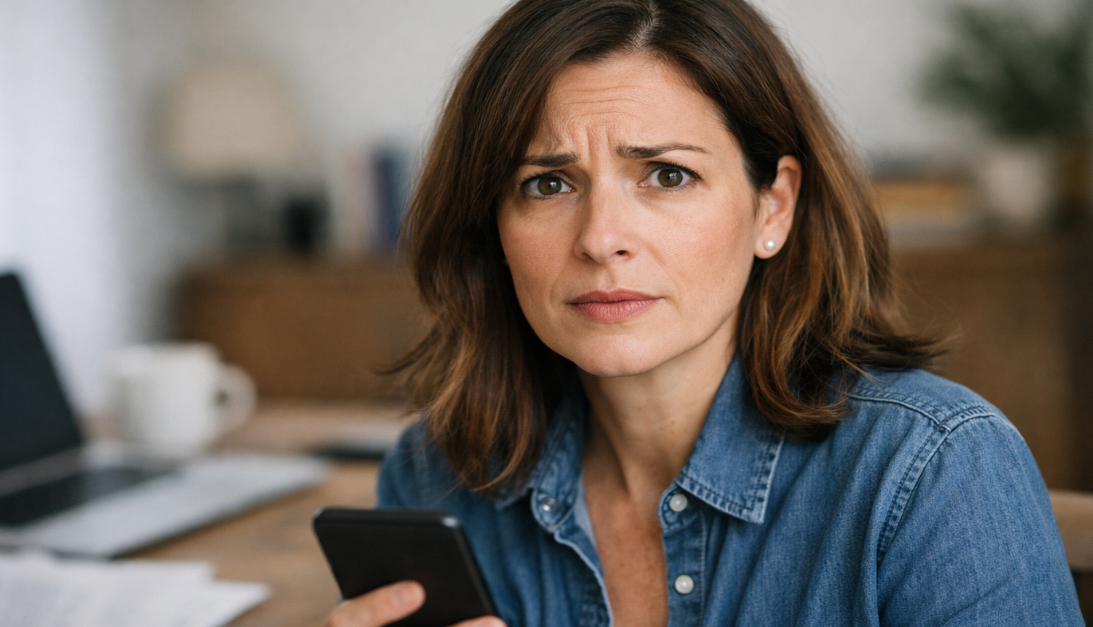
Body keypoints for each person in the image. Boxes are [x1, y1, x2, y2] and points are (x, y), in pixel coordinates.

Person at [322, 0, 1083, 625]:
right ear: (493, 221)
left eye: (666, 175)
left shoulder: (933, 470)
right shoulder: (437, 475)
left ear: (772, 206)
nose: (600, 239)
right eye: (548, 184)